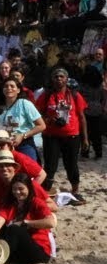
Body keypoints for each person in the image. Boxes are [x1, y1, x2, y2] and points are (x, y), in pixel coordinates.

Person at [36, 67, 88, 198]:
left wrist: (85, 139)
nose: (59, 79)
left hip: (71, 135)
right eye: (56, 77)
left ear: (66, 79)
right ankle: (46, 190)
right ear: (52, 79)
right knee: (50, 165)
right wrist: (49, 119)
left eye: (62, 76)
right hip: (51, 136)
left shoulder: (75, 95)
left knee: (71, 164)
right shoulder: (46, 95)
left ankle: (75, 189)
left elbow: (82, 117)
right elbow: (37, 114)